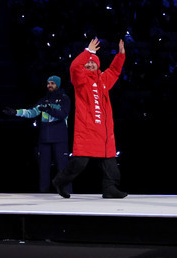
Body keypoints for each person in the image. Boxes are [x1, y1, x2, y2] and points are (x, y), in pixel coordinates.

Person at [52, 38, 127, 199]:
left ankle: (109, 188)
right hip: (86, 129)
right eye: (88, 63)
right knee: (80, 163)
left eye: (94, 63)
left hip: (104, 131)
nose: (91, 65)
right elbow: (74, 67)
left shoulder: (103, 80)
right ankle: (60, 181)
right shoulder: (81, 80)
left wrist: (120, 55)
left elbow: (114, 71)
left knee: (110, 162)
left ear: (98, 65)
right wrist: (88, 52)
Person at [4, 75, 71, 193]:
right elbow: (31, 112)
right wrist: (16, 112)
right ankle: (43, 193)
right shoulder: (43, 100)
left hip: (60, 138)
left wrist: (49, 110)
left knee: (63, 169)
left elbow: (62, 114)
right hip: (44, 139)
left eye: (52, 83)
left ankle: (66, 193)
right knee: (43, 169)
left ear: (58, 84)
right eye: (48, 83)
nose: (49, 85)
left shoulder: (65, 99)